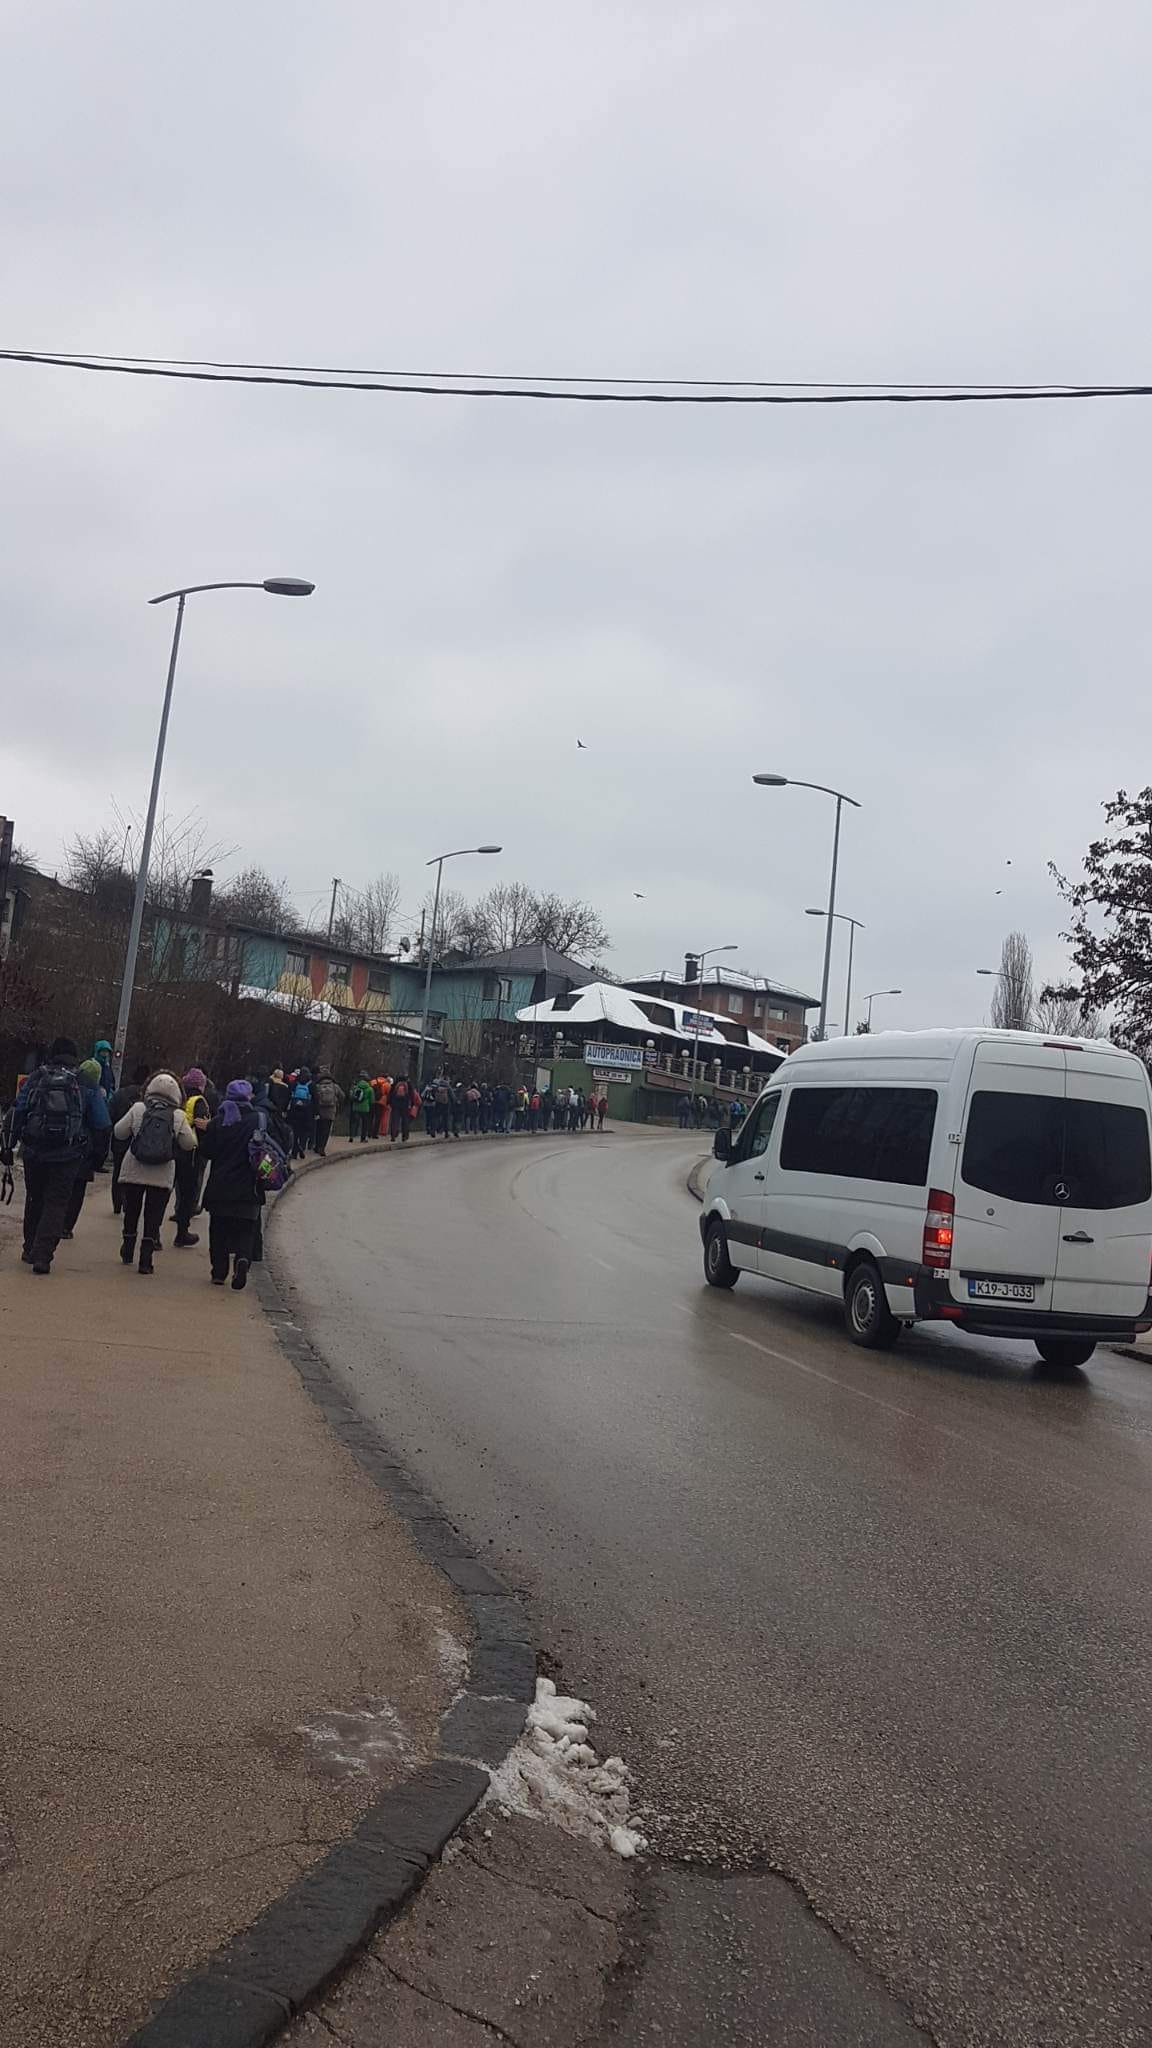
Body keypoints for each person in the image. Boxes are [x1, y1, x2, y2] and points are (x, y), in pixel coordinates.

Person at [10, 1037, 111, 1273]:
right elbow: (102, 1123)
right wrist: (96, 1156)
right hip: (68, 1155)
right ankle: (43, 1255)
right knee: (56, 1203)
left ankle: (29, 1247)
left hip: (35, 1151)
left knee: (35, 1198)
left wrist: (9, 1146)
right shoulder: (85, 1082)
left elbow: (18, 1111)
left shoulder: (36, 1077)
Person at [115, 1071, 199, 1275]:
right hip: (162, 1172)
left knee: (132, 1210)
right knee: (153, 1215)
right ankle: (146, 1258)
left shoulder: (138, 1108)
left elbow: (119, 1132)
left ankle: (128, 1247)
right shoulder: (177, 1115)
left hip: (134, 1168)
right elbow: (189, 1144)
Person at [198, 1079, 262, 1288]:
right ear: (248, 1097)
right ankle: (242, 1259)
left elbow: (206, 1151)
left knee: (218, 1229)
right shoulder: (259, 1120)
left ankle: (219, 1271)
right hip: (250, 1186)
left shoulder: (219, 1121)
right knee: (246, 1229)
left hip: (221, 1186)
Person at [60, 1059, 108, 1239]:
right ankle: (66, 1227)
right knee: (77, 1190)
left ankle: (49, 1224)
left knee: (56, 1189)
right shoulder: (93, 1091)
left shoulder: (63, 1083)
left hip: (58, 1143)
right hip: (81, 1149)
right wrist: (98, 1157)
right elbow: (102, 1124)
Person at [172, 1067, 211, 1246]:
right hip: (191, 1152)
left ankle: (154, 1234)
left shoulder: (179, 1098)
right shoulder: (199, 1101)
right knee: (188, 1193)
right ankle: (182, 1232)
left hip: (173, 1149)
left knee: (166, 1191)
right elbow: (201, 1127)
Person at [108, 1061, 151, 1213]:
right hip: (138, 1142)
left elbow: (110, 1114)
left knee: (118, 1172)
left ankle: (117, 1203)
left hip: (120, 1140)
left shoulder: (120, 1094)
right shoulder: (148, 1098)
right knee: (134, 1174)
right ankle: (129, 1203)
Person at [311, 1068, 344, 1156]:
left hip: (320, 1110)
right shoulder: (335, 1086)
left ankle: (317, 1146)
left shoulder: (318, 1085)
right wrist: (337, 1102)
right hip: (330, 1111)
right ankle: (322, 1148)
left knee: (319, 1128)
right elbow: (342, 1096)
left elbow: (313, 1097)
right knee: (326, 1130)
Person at [287, 1066, 314, 1159]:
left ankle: (294, 1151)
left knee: (295, 1131)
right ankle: (302, 1146)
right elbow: (315, 1098)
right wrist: (315, 1112)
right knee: (304, 1131)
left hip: (295, 1110)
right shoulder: (311, 1085)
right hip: (306, 1111)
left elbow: (289, 1096)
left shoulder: (294, 1083)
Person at [389, 1072, 414, 1142]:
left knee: (395, 1120)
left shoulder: (395, 1084)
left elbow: (390, 1093)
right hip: (405, 1105)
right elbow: (412, 1094)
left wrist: (390, 1102)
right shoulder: (408, 1084)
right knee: (405, 1120)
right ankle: (404, 1136)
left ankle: (393, 1135)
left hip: (395, 1104)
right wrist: (411, 1104)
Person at [349, 1072, 373, 1142]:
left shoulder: (355, 1087)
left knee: (354, 1122)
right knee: (364, 1123)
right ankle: (363, 1138)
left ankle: (351, 1136)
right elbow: (372, 1100)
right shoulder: (370, 1089)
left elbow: (351, 1097)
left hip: (355, 1107)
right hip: (365, 1108)